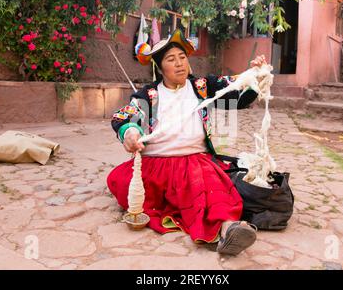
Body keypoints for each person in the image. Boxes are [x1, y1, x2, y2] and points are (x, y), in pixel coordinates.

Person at [107, 29, 267, 256]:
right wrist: (130, 132)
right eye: (171, 60)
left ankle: (228, 229)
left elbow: (236, 92)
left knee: (210, 188)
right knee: (119, 181)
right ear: (160, 68)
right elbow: (124, 117)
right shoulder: (148, 95)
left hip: (195, 161)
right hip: (156, 164)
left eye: (182, 58)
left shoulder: (202, 86)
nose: (180, 64)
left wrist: (254, 74)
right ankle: (185, 210)